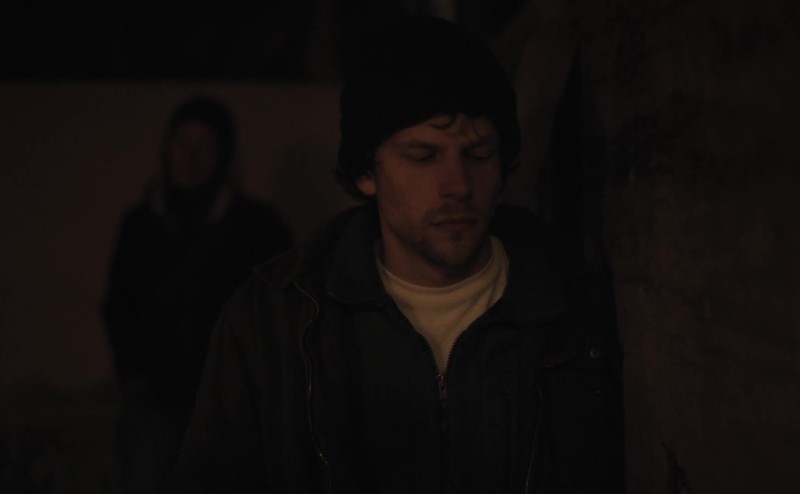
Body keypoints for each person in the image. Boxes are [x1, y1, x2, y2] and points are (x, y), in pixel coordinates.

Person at [172, 17, 623, 493]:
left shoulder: (577, 305)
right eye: (423, 157)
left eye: (478, 154)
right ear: (367, 173)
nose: (458, 185)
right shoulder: (275, 321)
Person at [102, 95, 293, 494]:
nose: (190, 157)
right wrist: (133, 376)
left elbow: (281, 307)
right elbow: (119, 305)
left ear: (223, 155)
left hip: (232, 404)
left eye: (204, 145)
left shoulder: (256, 229)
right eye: (182, 143)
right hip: (156, 400)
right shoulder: (141, 226)